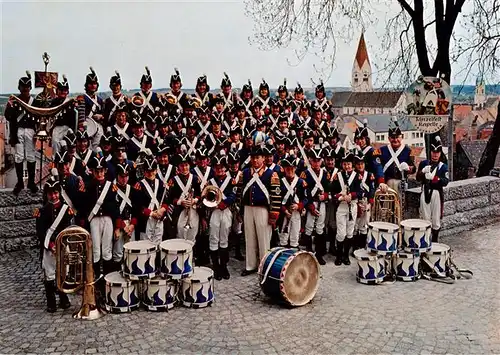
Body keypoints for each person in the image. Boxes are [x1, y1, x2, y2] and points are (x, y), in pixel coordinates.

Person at [237, 146, 281, 276]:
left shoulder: (271, 174)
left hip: (263, 209)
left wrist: (273, 214)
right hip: (248, 209)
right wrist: (240, 211)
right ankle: (250, 265)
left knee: (263, 239)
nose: (255, 160)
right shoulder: (244, 173)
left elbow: (276, 195)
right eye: (253, 157)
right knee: (249, 238)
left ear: (263, 158)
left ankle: (264, 266)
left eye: (257, 157)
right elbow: (240, 193)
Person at [34, 175, 74, 312]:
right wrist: (51, 245)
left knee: (63, 272)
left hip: (62, 245)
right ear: (47, 194)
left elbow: (67, 228)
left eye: (56, 193)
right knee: (50, 273)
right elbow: (40, 232)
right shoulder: (42, 212)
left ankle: (64, 298)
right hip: (49, 247)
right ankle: (51, 301)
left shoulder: (66, 210)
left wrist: (62, 244)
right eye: (51, 193)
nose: (54, 196)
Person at [83, 152, 120, 281]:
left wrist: (117, 227)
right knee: (96, 251)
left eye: (102, 171)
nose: (99, 174)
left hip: (107, 219)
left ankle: (108, 277)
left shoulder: (110, 187)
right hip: (94, 220)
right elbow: (84, 206)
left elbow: (115, 208)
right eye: (97, 171)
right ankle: (97, 277)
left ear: (105, 171)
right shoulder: (88, 187)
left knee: (107, 250)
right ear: (93, 172)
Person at [5, 71, 38, 195]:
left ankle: (31, 182)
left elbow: (39, 115)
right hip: (17, 131)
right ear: (19, 88)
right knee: (19, 156)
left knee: (30, 156)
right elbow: (8, 116)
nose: (25, 90)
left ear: (30, 88)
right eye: (23, 88)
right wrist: (10, 106)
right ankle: (19, 182)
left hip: (30, 131)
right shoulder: (14, 100)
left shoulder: (34, 102)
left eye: (27, 88)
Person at [206, 154, 237, 280]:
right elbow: (207, 195)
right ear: (214, 169)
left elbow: (233, 195)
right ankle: (216, 266)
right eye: (217, 168)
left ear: (225, 168)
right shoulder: (211, 182)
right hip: (214, 212)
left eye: (222, 168)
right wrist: (213, 204)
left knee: (224, 238)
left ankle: (224, 266)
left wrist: (224, 204)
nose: (220, 170)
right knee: (214, 237)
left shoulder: (231, 181)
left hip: (226, 210)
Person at [300, 147, 330, 264]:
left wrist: (325, 196)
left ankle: (319, 253)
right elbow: (304, 192)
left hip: (321, 204)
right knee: (308, 226)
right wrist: (310, 206)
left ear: (321, 161)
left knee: (320, 227)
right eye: (314, 160)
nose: (316, 163)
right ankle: (308, 252)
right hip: (310, 204)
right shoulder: (305, 174)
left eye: (318, 160)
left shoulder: (325, 173)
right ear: (310, 160)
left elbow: (328, 190)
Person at [416, 136, 449, 243]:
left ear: (440, 154)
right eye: (433, 152)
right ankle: (425, 241)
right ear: (430, 152)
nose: (435, 155)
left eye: (437, 153)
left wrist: (435, 179)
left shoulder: (443, 167)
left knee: (435, 219)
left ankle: (435, 241)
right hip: (425, 191)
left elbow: (445, 181)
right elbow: (417, 178)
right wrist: (422, 172)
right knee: (425, 218)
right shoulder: (424, 164)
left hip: (436, 194)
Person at [331, 150, 361, 266]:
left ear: (352, 165)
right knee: (341, 233)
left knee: (350, 232)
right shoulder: (337, 176)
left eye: (348, 164)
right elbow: (332, 192)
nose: (347, 166)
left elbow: (360, 192)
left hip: (352, 206)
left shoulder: (357, 176)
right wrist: (341, 197)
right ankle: (338, 256)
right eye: (344, 164)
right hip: (341, 207)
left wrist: (351, 196)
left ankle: (345, 256)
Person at [132, 154, 168, 244]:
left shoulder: (160, 184)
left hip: (159, 217)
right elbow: (138, 206)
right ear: (144, 172)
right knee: (145, 245)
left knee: (158, 243)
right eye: (148, 171)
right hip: (146, 219)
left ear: (156, 171)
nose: (150, 173)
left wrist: (162, 210)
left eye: (152, 171)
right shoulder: (139, 185)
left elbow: (166, 201)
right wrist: (151, 213)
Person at [168, 149, 201, 242]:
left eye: (186, 165)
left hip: (192, 209)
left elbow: (199, 195)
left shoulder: (195, 179)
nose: (184, 168)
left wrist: (194, 200)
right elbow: (171, 198)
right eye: (182, 165)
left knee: (193, 231)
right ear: (178, 167)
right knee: (180, 232)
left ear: (189, 165)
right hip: (179, 210)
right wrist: (180, 202)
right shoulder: (173, 180)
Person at [377, 119, 416, 197]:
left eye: (397, 137)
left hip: (401, 183)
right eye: (392, 137)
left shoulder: (408, 151)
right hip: (386, 184)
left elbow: (413, 169)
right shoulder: (381, 150)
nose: (395, 140)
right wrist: (381, 181)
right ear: (389, 138)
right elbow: (378, 167)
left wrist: (408, 168)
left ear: (401, 137)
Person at [278, 155, 307, 249]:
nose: (290, 171)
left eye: (292, 168)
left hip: (296, 213)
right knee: (283, 237)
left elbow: (306, 198)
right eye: (287, 169)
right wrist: (284, 210)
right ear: (284, 169)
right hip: (284, 214)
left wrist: (299, 206)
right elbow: (277, 199)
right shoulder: (280, 182)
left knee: (295, 237)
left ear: (295, 168)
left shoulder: (300, 182)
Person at [113, 161, 136, 271]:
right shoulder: (112, 190)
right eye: (122, 177)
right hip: (119, 224)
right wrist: (121, 226)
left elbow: (135, 209)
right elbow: (113, 210)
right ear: (117, 176)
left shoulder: (132, 189)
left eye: (126, 176)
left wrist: (132, 225)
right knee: (118, 253)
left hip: (130, 224)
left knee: (131, 251)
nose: (124, 179)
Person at [353, 150, 376, 252]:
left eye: (362, 164)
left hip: (366, 202)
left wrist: (370, 203)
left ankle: (362, 247)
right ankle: (354, 247)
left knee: (363, 225)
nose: (360, 166)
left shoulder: (369, 175)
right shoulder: (352, 175)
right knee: (354, 225)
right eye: (358, 164)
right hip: (355, 202)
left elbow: (371, 189)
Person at [51, 75, 77, 156]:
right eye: (61, 90)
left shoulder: (71, 102)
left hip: (68, 129)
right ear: (57, 91)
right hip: (57, 128)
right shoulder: (53, 102)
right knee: (56, 145)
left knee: (69, 147)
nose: (63, 92)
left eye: (65, 90)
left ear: (68, 91)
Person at [81, 67, 104, 150]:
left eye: (94, 84)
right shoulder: (82, 98)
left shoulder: (100, 100)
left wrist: (101, 116)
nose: (93, 86)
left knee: (96, 148)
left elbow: (103, 114)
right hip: (85, 127)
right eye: (90, 84)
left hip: (98, 128)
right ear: (87, 85)